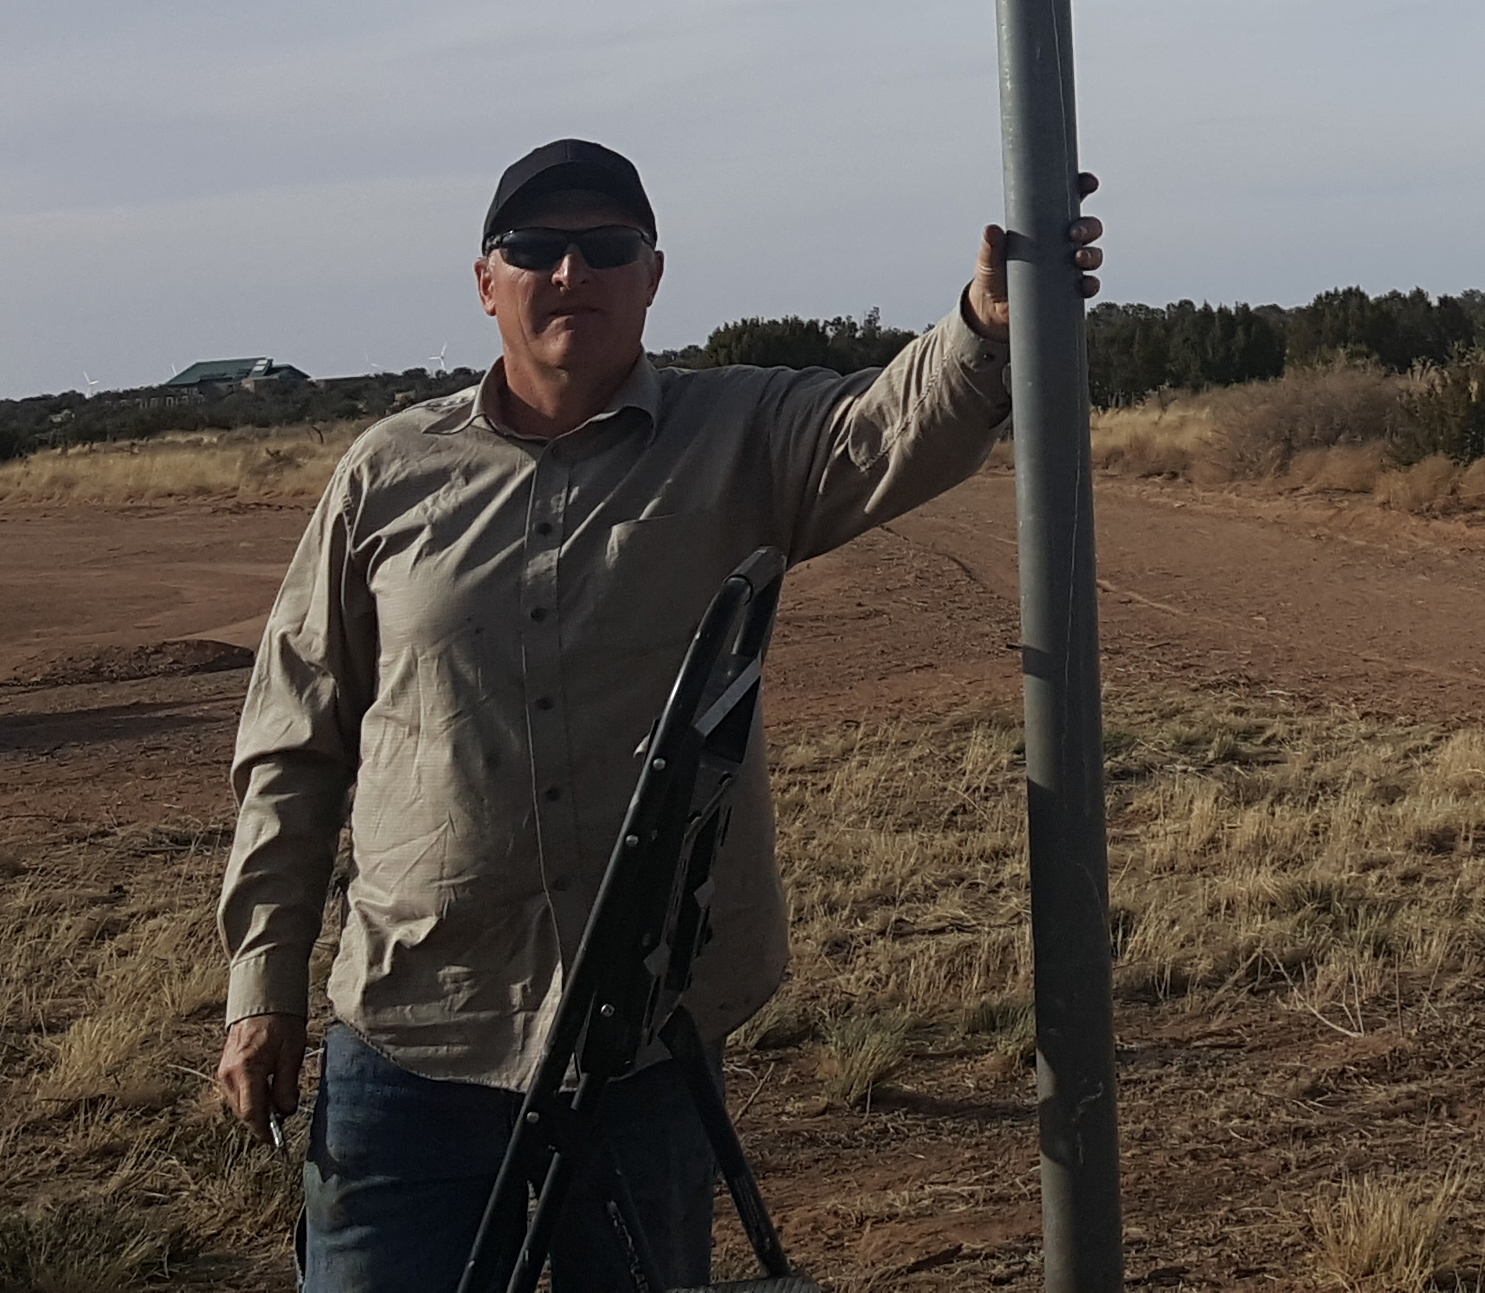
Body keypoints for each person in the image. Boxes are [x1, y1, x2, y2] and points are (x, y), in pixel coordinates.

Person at [216, 137, 1093, 1292]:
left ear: (653, 275)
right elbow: (295, 737)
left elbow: (888, 423)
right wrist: (262, 988)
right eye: (534, 247)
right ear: (484, 282)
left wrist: (982, 324)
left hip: (639, 1047)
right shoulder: (386, 472)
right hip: (413, 1038)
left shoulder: (737, 435)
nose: (568, 272)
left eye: (605, 247)